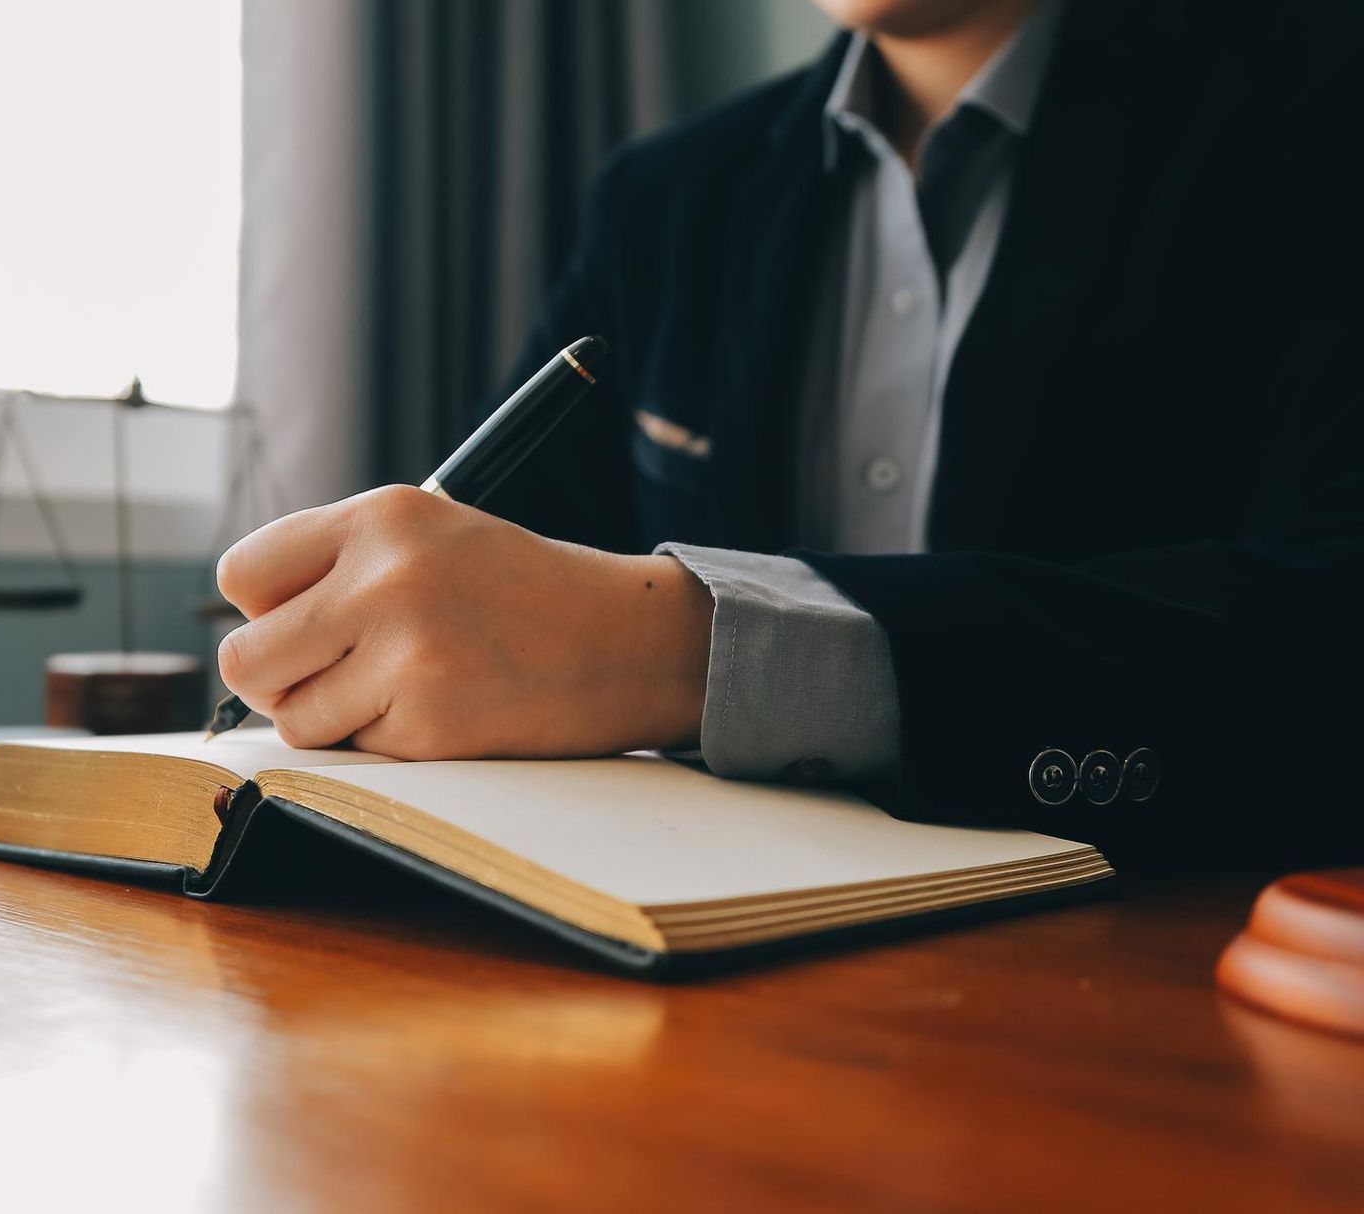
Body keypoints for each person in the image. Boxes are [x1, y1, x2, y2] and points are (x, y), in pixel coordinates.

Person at [214, 0, 1364, 862]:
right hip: (705, 977)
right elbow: (485, 590)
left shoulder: (1314, 118)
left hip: (1155, 974)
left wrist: (692, 651)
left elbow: (1326, 635)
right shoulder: (665, 200)